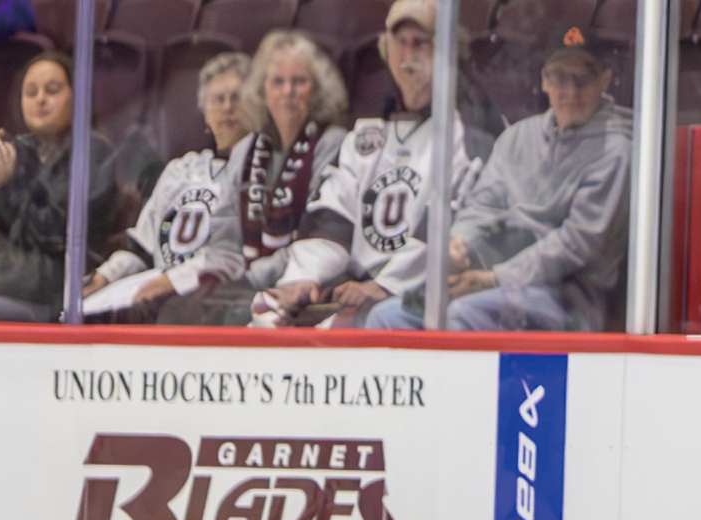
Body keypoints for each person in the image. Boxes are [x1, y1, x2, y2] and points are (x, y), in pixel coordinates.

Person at [369, 26, 633, 332]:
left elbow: (575, 245)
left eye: (582, 79)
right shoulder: (518, 137)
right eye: (560, 78)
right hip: (492, 281)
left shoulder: (616, 151)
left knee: (461, 316)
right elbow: (483, 205)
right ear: (544, 81)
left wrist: (495, 279)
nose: (571, 91)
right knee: (385, 317)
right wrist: (460, 243)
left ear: (604, 80)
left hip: (568, 297)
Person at [255, 0, 489, 329]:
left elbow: (448, 236)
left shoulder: (468, 135)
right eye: (400, 41)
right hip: (353, 293)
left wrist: (384, 286)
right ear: (385, 50)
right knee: (264, 317)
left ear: (448, 51)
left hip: (419, 301)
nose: (409, 53)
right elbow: (331, 219)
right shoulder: (365, 136)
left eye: (421, 42)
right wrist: (303, 278)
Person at [160, 32, 352, 326]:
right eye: (277, 81)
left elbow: (317, 239)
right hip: (247, 284)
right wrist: (215, 278)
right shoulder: (244, 152)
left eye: (299, 81)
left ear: (316, 90)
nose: (288, 91)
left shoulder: (333, 145)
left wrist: (249, 279)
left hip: (307, 291)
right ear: (261, 90)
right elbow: (225, 240)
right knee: (177, 310)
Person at [82, 52, 251, 322]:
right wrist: (105, 276)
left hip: (219, 299)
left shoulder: (261, 171)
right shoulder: (179, 170)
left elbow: (239, 255)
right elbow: (143, 246)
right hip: (160, 295)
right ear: (205, 113)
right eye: (218, 99)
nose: (227, 107)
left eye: (237, 98)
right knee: (78, 313)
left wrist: (174, 281)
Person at [0, 51, 127, 322]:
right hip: (10, 273)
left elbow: (56, 234)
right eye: (31, 92)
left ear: (77, 97)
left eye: (52, 90)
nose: (40, 99)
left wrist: (3, 189)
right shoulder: (15, 151)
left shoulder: (95, 153)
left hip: (61, 282)